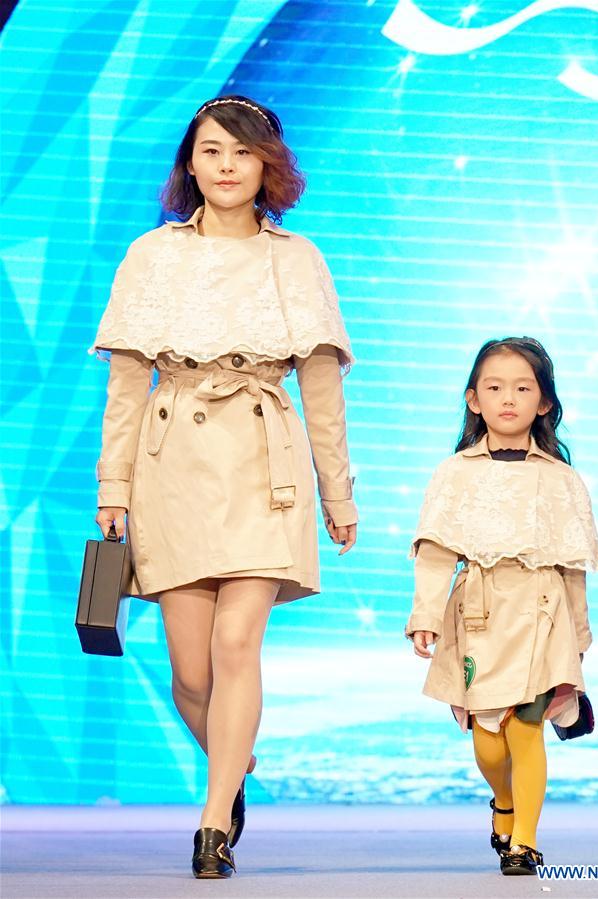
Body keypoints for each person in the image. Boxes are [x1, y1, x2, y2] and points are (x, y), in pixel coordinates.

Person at [91, 95, 358, 878]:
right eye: (212, 151)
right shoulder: (152, 255)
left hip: (264, 459)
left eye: (243, 152)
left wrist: (338, 493)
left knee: (237, 641)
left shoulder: (297, 260)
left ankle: (212, 824)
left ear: (269, 166)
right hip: (172, 460)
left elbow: (322, 390)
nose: (227, 166)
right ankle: (231, 766)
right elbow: (126, 385)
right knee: (190, 674)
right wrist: (113, 485)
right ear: (191, 163)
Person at [406, 337, 598, 876]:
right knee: (490, 743)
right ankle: (505, 802)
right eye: (494, 387)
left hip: (543, 613)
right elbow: (435, 552)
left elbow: (573, 566)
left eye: (522, 388)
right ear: (474, 399)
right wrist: (425, 615)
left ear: (544, 402)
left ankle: (525, 842)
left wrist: (579, 640)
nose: (508, 398)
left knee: (526, 729)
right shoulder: (454, 474)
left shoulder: (561, 479)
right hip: (479, 613)